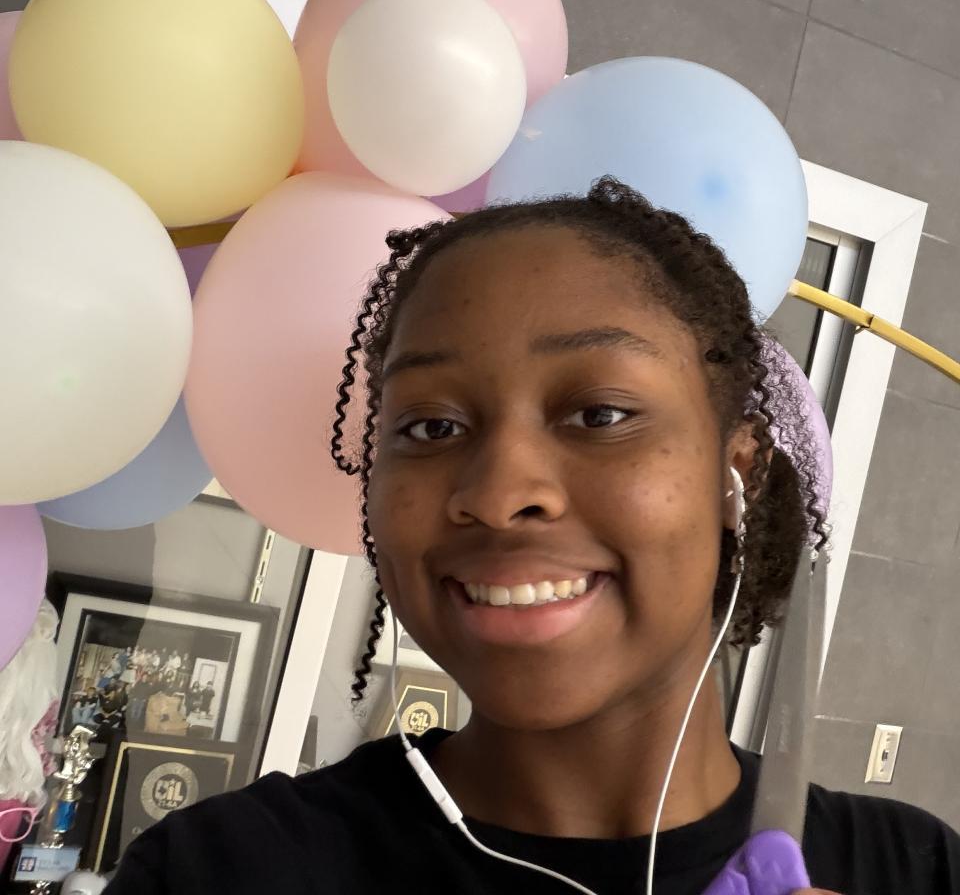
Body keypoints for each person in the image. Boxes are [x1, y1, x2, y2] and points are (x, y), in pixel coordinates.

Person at [105, 180, 960, 894]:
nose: (499, 494)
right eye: (431, 428)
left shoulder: (916, 870)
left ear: (737, 473)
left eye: (600, 415)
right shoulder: (217, 873)